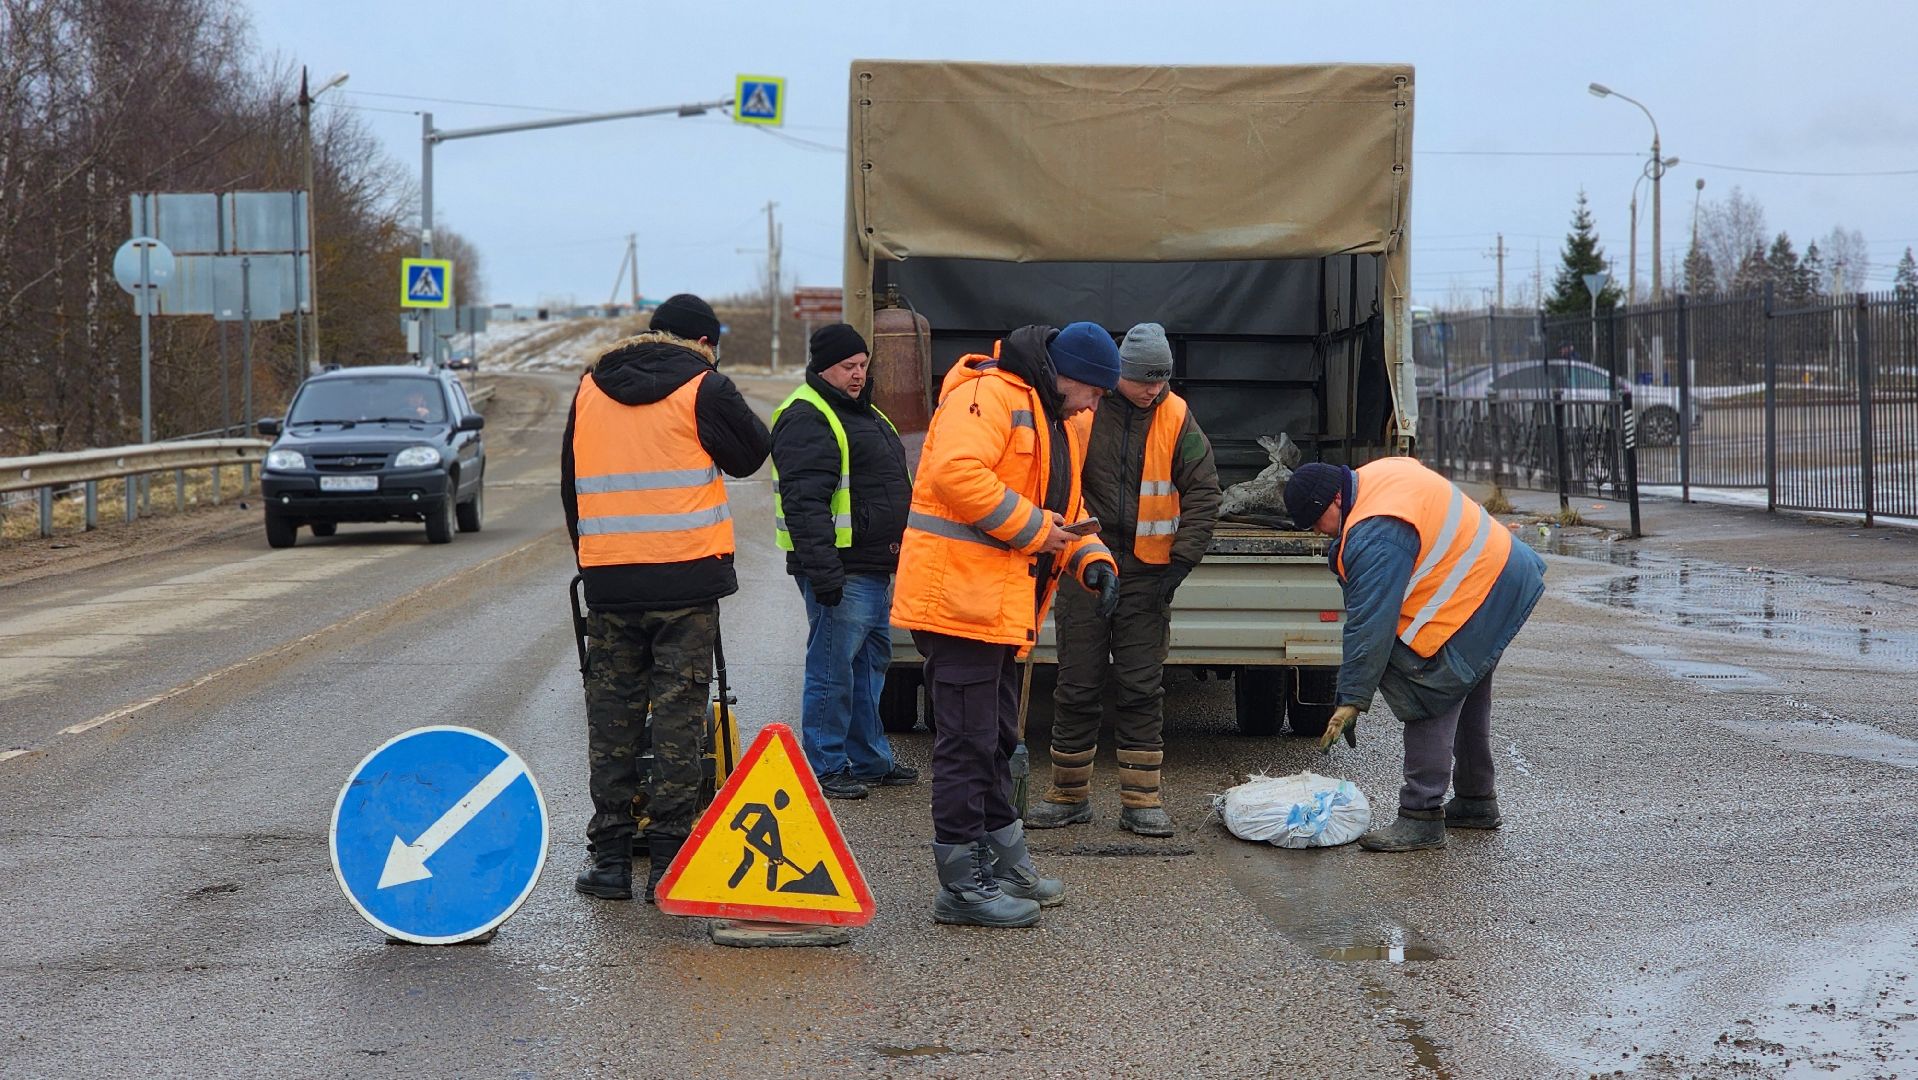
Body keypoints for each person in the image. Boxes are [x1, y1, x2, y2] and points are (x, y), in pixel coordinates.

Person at [891, 322, 1123, 928]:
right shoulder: (988, 394)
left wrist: (1089, 559)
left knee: (994, 738)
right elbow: (957, 477)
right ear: (1067, 376)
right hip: (958, 604)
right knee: (967, 745)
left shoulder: (1056, 417)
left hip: (994, 608)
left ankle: (1001, 861)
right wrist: (1040, 533)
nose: (1096, 405)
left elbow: (1063, 509)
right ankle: (962, 886)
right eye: (1094, 393)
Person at [562, 293, 770, 901]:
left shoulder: (589, 387)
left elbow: (571, 487)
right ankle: (675, 858)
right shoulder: (704, 385)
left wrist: (596, 556)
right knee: (679, 718)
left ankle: (609, 863)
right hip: (684, 582)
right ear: (703, 342)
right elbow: (754, 453)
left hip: (611, 581)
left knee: (612, 720)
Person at [1283, 457, 1545, 852]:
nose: (1320, 532)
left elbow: (1371, 624)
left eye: (1318, 520)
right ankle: (1476, 801)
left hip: (1477, 593)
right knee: (1467, 692)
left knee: (1429, 690)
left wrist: (1352, 698)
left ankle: (1420, 815)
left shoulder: (1376, 532)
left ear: (1336, 498)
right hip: (1502, 575)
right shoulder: (1379, 475)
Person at [1029, 323, 1221, 837]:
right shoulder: (1083, 410)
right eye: (1143, 380)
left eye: (1161, 380)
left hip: (1148, 574)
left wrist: (1180, 562)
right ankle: (1067, 795)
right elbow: (1054, 481)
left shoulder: (1177, 417)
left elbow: (1204, 491)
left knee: (1141, 686)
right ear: (1119, 376)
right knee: (1077, 683)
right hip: (1085, 568)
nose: (1153, 389)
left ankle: (1142, 802)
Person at [770, 323, 918, 800]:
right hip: (842, 570)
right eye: (848, 367)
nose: (858, 375)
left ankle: (869, 758)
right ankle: (826, 764)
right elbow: (804, 504)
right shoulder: (808, 416)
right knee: (833, 670)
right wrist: (825, 573)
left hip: (874, 566)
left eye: (862, 365)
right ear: (822, 367)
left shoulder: (865, 413)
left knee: (870, 666)